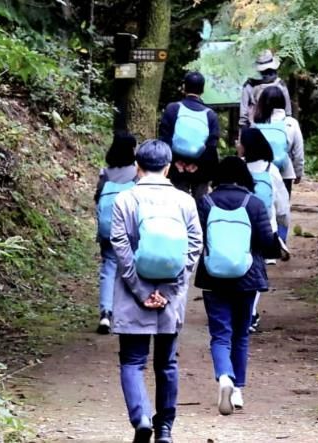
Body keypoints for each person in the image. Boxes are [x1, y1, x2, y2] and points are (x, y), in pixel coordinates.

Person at [110, 140, 203, 443]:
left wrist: (140, 291)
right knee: (166, 363)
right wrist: (170, 291)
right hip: (169, 297)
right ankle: (164, 429)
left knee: (132, 361)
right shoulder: (185, 201)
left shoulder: (125, 199)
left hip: (132, 294)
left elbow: (121, 248)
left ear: (137, 166)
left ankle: (141, 418)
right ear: (168, 167)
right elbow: (194, 247)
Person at [195, 156, 280, 416]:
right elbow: (266, 243)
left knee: (220, 334)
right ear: (244, 176)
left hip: (213, 277)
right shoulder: (254, 203)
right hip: (247, 278)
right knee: (241, 334)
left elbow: (196, 237)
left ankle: (224, 377)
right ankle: (238, 390)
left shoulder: (205, 202)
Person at [240, 127, 290, 332]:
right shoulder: (271, 170)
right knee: (257, 271)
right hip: (265, 227)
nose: (237, 145)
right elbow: (282, 206)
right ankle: (250, 313)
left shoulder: (239, 167)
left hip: (239, 225)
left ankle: (242, 312)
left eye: (240, 141)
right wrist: (283, 228)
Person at [94, 131, 137, 334]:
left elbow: (98, 199)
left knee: (109, 268)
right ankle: (127, 313)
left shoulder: (105, 173)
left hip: (108, 229)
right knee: (130, 267)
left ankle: (105, 313)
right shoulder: (137, 173)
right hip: (130, 229)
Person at [159, 71, 220, 200]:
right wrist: (196, 165)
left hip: (176, 167)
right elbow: (211, 146)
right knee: (201, 203)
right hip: (200, 169)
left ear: (184, 87)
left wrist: (176, 162)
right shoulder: (210, 115)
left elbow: (164, 139)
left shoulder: (172, 108)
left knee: (177, 202)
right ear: (202, 90)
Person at [254, 85, 304, 199]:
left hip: (261, 172)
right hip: (284, 171)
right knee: (282, 205)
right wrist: (298, 172)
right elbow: (298, 152)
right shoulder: (291, 123)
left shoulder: (257, 124)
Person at [239, 50, 292, 129]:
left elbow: (243, 117)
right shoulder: (281, 85)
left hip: (255, 130)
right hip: (279, 129)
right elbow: (288, 114)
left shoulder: (249, 86)